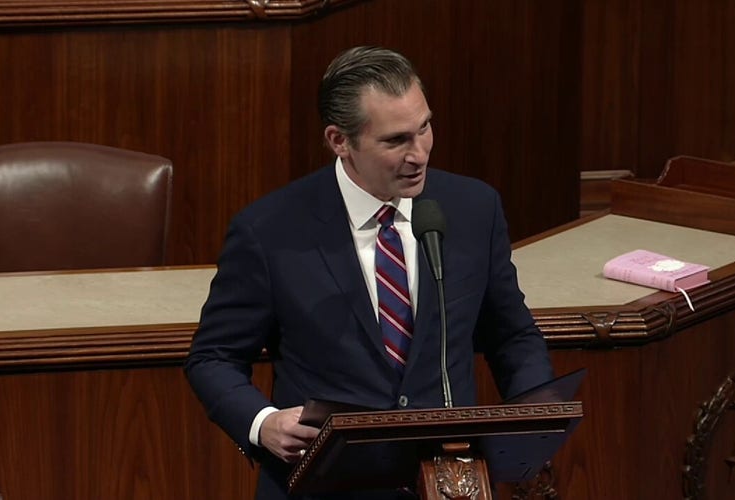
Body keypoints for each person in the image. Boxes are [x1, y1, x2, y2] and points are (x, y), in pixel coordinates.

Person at [185, 45, 554, 500]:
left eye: (425, 128)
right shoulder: (270, 230)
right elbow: (214, 357)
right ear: (340, 141)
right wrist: (263, 424)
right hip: (323, 486)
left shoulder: (473, 209)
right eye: (396, 141)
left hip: (447, 483)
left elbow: (512, 335)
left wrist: (537, 420)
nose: (419, 153)